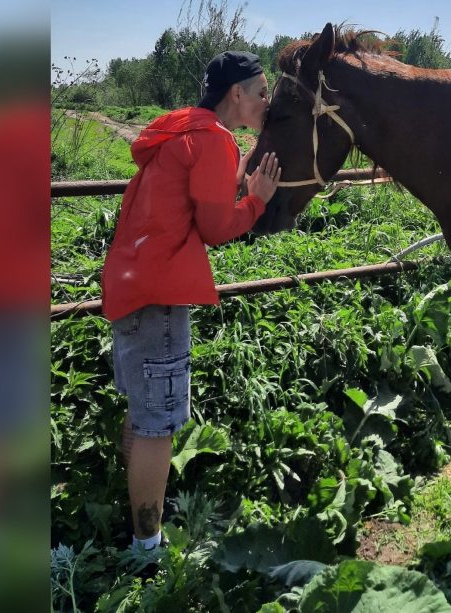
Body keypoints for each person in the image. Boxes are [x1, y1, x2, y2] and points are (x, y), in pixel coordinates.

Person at [101, 50, 281, 550]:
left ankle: (137, 525)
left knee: (143, 413)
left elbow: (192, 199)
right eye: (261, 92)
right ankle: (147, 550)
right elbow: (217, 228)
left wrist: (237, 176)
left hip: (133, 282)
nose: (267, 101)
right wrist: (258, 198)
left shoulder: (184, 130)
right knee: (157, 425)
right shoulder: (214, 140)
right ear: (237, 94)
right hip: (159, 294)